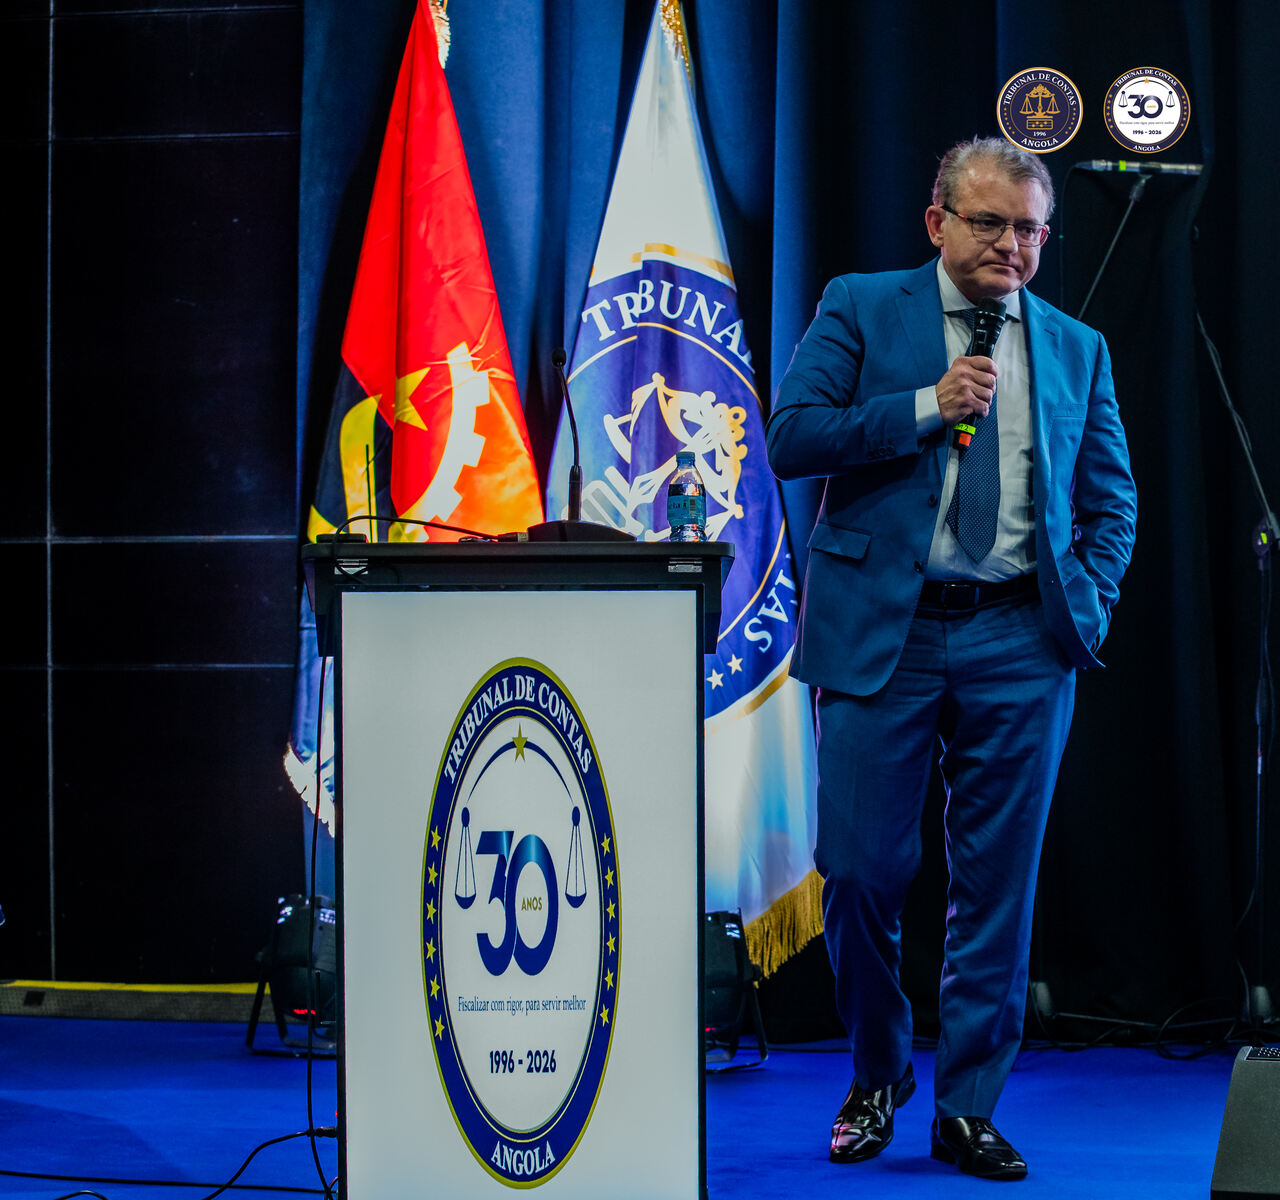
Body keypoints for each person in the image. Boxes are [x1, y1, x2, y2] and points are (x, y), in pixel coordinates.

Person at [766, 137, 1137, 1181]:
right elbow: (791, 436)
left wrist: (1087, 602)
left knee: (996, 886)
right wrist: (929, 404)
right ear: (937, 222)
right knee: (858, 872)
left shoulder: (1075, 347)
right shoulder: (859, 305)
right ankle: (877, 1071)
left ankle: (966, 1106)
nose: (1011, 246)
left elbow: (1110, 500)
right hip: (879, 630)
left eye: (1029, 229)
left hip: (1018, 637)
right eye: (988, 223)